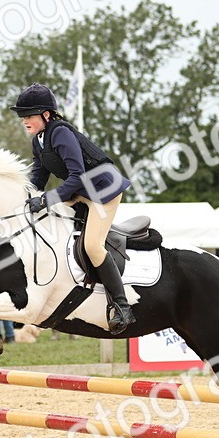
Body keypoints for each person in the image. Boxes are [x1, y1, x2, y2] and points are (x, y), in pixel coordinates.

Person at [11, 83, 135, 334]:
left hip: (103, 192)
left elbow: (77, 175)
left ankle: (122, 306)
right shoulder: (39, 140)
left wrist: (45, 200)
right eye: (22, 116)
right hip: (79, 194)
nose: (24, 121)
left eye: (29, 116)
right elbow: (38, 177)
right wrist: (22, 199)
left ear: (46, 114)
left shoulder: (60, 133)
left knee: (92, 246)